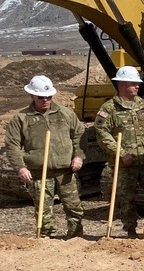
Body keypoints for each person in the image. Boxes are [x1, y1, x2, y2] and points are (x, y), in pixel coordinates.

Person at [5, 75, 86, 238]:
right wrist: (20, 167)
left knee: (74, 207)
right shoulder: (21, 119)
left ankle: (76, 237)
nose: (46, 100)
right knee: (43, 210)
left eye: (49, 97)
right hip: (38, 173)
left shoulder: (65, 114)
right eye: (41, 97)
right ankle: (49, 238)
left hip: (65, 172)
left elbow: (79, 135)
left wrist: (78, 156)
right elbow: (12, 145)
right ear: (32, 96)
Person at [94, 66, 144, 237]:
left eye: (137, 84)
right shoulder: (109, 109)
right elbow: (103, 135)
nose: (137, 86)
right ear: (122, 85)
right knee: (127, 198)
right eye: (133, 84)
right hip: (125, 163)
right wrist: (121, 154)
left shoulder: (143, 105)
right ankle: (130, 230)